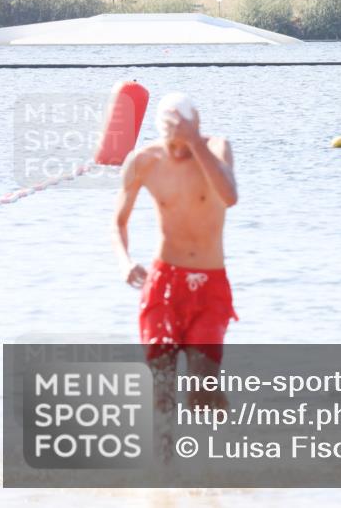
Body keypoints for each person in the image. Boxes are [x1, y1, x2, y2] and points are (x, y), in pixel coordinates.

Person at [113, 93, 239, 446]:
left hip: (210, 285)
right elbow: (118, 222)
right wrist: (124, 261)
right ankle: (164, 477)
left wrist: (193, 141)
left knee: (202, 389)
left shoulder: (216, 148)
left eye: (187, 139)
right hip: (164, 285)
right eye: (174, 142)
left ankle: (222, 461)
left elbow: (229, 196)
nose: (179, 151)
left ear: (198, 126)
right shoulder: (144, 160)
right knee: (163, 389)